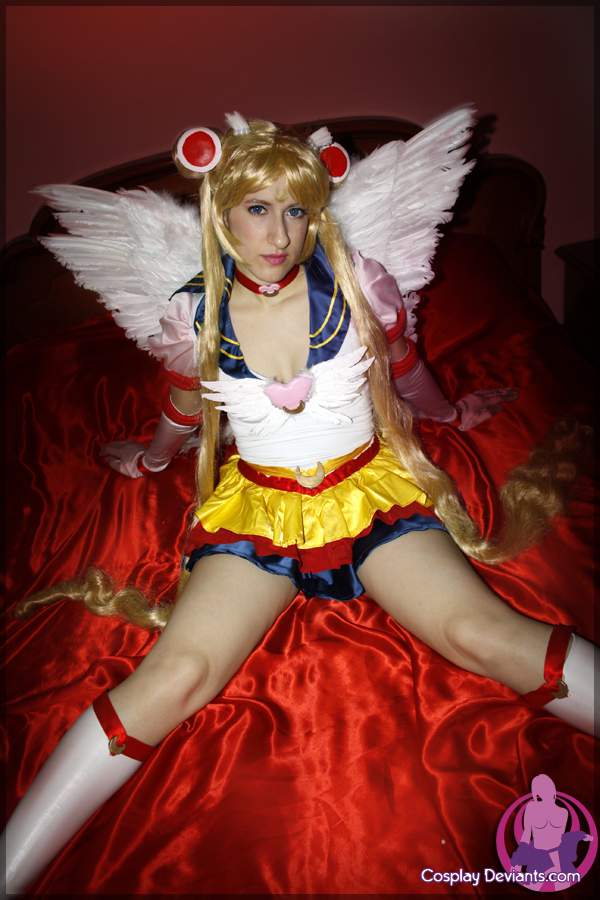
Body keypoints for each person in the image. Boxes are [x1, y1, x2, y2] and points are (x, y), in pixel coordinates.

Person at [3, 112, 596, 895]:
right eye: (258, 208)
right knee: (177, 675)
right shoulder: (196, 311)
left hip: (368, 493)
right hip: (259, 511)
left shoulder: (359, 282)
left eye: (296, 209)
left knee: (480, 633)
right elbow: (187, 402)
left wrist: (450, 414)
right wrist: (152, 457)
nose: (280, 233)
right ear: (222, 210)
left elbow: (403, 364)